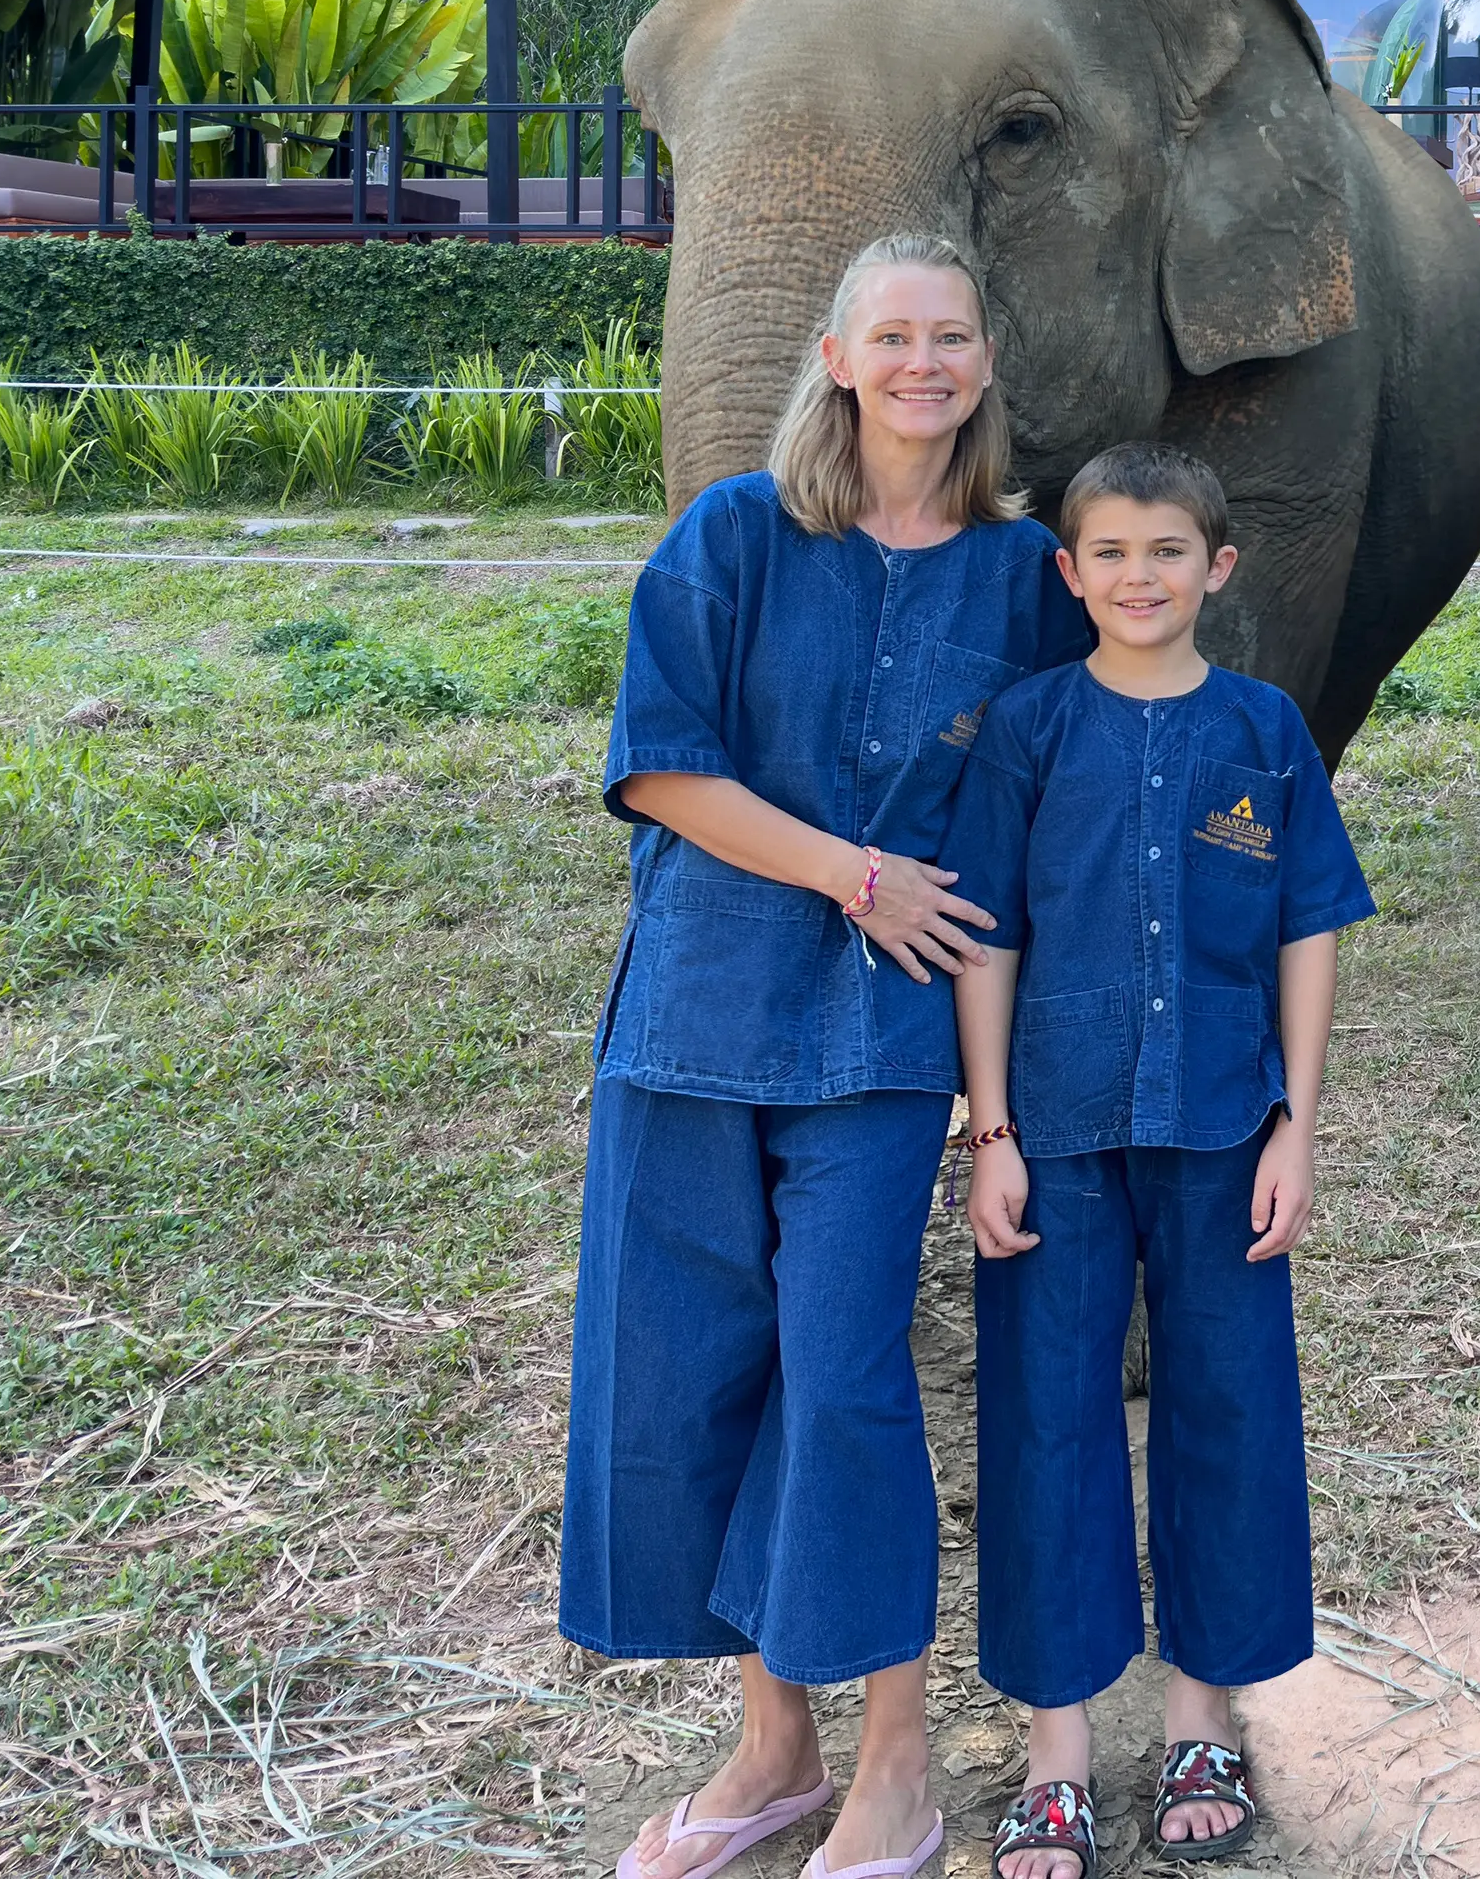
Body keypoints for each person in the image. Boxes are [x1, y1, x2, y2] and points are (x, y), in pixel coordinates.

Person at [568, 234, 1088, 1879]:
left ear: (985, 365)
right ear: (838, 357)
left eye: (955, 336)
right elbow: (661, 769)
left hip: (883, 1039)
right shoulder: (732, 535)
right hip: (699, 1012)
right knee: (703, 1371)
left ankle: (898, 1767)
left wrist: (1010, 1102)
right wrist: (856, 874)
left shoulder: (1025, 576)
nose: (926, 362)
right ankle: (773, 1746)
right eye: (896, 335)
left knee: (846, 1375)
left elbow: (1052, 808)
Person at [939, 442, 1376, 1879]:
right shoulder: (1027, 728)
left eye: (1168, 551)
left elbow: (1306, 929)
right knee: (1045, 1423)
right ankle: (1056, 1753)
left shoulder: (1264, 730)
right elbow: (988, 938)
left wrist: (1297, 1124)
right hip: (1055, 1135)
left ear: (1218, 568)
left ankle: (1203, 1722)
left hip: (1224, 1126)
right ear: (1070, 573)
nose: (1141, 576)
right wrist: (990, 1132)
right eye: (1112, 553)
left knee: (1227, 1412)